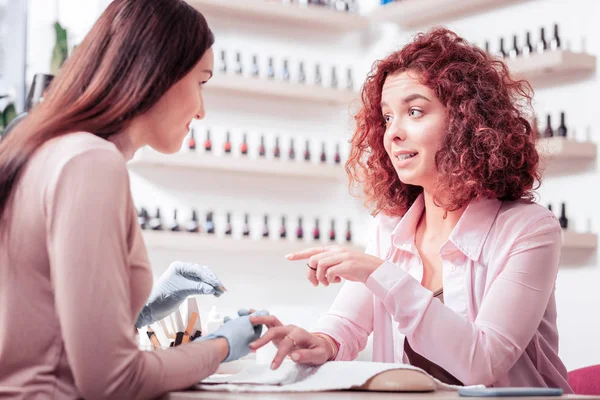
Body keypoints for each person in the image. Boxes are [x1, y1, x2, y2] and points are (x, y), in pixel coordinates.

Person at [250, 27, 572, 392]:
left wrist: (380, 273)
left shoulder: (529, 230)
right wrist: (321, 343)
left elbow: (483, 363)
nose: (393, 133)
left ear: (467, 121)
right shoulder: (390, 228)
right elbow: (348, 324)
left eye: (414, 112)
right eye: (387, 118)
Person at [0, 1, 266, 399]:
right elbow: (112, 381)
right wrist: (222, 345)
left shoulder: (51, 150)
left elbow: (39, 327)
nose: (202, 111)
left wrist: (139, 309)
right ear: (159, 72)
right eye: (202, 82)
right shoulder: (90, 162)